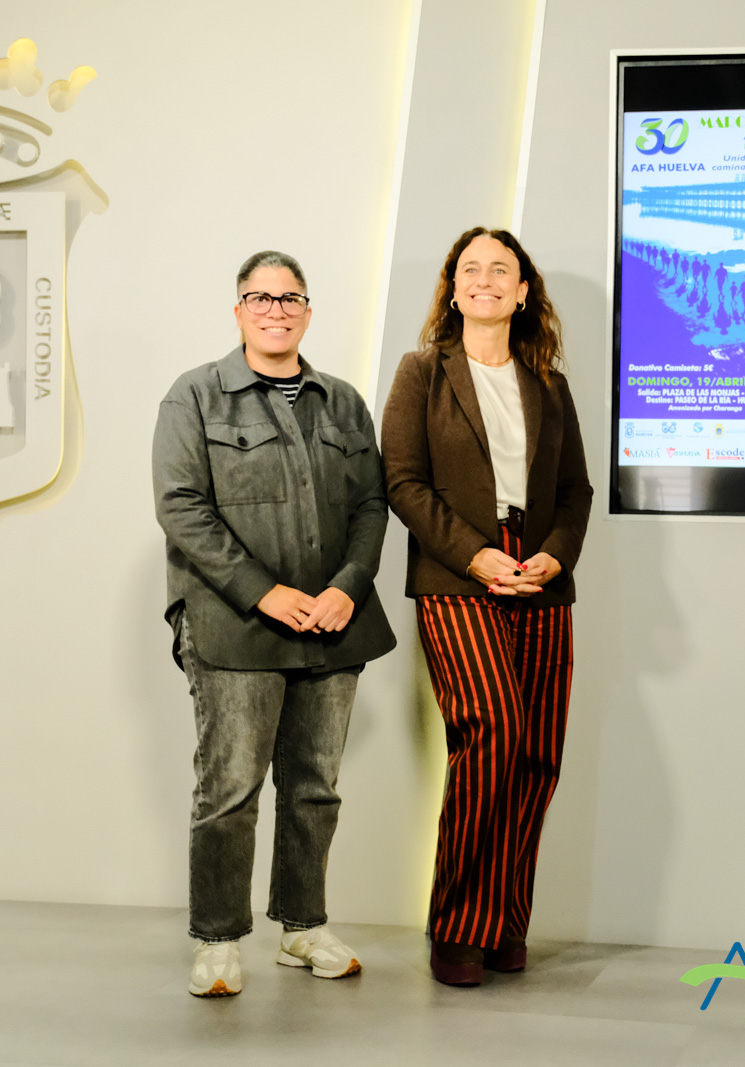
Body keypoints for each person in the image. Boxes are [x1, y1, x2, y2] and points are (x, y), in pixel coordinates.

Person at [153, 250, 396, 998]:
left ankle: (302, 927)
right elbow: (180, 505)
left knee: (315, 787)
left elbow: (372, 505)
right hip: (235, 626)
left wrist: (349, 586)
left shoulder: (343, 402)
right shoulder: (195, 395)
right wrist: (264, 593)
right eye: (261, 298)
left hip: (332, 625)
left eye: (290, 298)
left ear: (307, 311)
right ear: (239, 310)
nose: (276, 310)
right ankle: (218, 939)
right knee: (230, 787)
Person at [382, 227, 593, 987]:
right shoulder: (422, 372)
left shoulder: (549, 384)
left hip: (540, 579)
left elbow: (575, 491)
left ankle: (505, 924)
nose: (484, 279)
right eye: (470, 268)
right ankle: (457, 927)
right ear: (453, 288)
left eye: (500, 269)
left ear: (522, 291)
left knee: (535, 753)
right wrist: (475, 555)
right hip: (458, 574)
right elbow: (402, 481)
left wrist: (556, 554)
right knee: (493, 731)